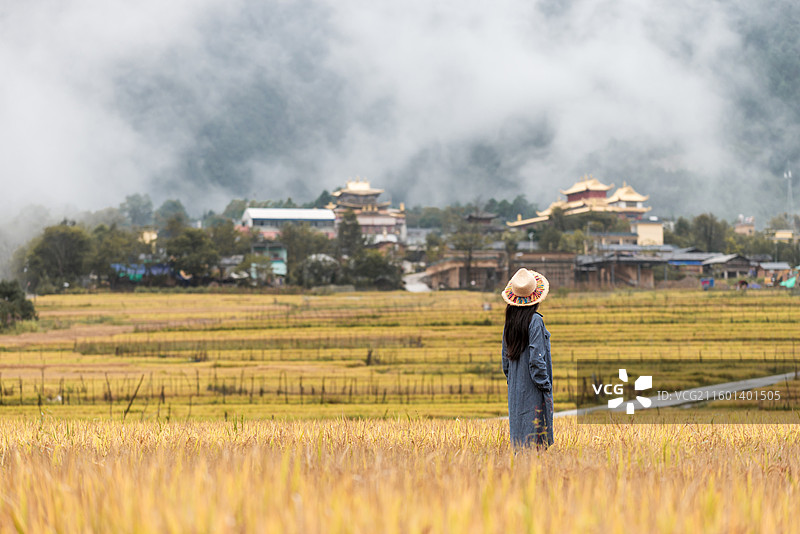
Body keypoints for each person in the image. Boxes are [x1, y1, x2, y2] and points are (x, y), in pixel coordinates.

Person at [501, 268, 553, 448]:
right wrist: (544, 384)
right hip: (533, 388)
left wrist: (515, 381)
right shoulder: (535, 321)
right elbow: (537, 360)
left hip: (515, 389)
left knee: (519, 442)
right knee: (535, 441)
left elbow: (505, 362)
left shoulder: (510, 323)